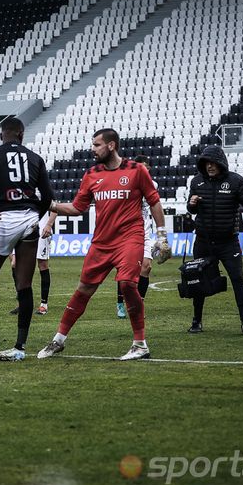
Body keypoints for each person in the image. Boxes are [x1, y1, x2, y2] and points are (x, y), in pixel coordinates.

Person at [37, 128, 168, 361]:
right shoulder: (91, 174)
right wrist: (50, 205)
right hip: (101, 242)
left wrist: (161, 236)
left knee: (128, 283)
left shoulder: (136, 171)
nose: (92, 149)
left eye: (97, 144)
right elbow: (78, 208)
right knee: (84, 289)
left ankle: (140, 344)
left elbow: (154, 201)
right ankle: (58, 340)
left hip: (131, 238)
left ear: (111, 145)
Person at [0, 117, 55, 362]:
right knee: (24, 284)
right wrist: (35, 216)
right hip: (30, 219)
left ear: (2, 135)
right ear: (21, 135)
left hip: (4, 219)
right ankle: (19, 347)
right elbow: (48, 197)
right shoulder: (36, 158)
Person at [186, 145, 243, 335]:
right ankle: (196, 321)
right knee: (197, 281)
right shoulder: (196, 182)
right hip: (203, 241)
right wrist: (191, 203)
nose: (210, 166)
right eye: (206, 163)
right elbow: (191, 209)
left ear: (221, 163)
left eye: (213, 163)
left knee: (237, 279)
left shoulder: (236, 181)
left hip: (228, 242)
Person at [114, 155, 158, 318]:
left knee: (146, 267)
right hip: (127, 230)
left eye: (146, 166)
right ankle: (120, 303)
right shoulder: (125, 183)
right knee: (125, 270)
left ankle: (138, 306)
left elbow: (154, 207)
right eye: (140, 166)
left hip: (145, 231)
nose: (143, 169)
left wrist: (161, 234)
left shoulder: (153, 185)